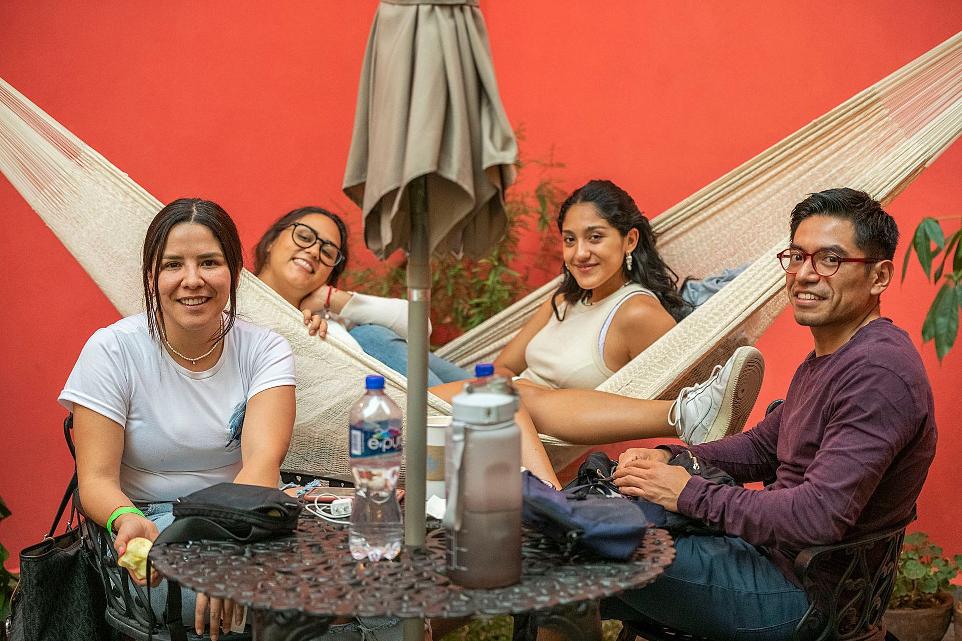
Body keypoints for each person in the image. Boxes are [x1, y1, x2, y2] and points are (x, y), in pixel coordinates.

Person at [597, 188, 937, 640]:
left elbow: (818, 516)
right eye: (797, 256)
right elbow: (762, 446)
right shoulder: (834, 357)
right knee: (571, 538)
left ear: (879, 276)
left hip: (800, 594)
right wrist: (672, 457)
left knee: (572, 548)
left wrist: (688, 493)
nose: (805, 274)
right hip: (766, 561)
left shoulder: (877, 374)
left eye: (830, 259)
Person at [60, 198, 297, 641]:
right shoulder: (112, 350)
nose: (192, 280)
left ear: (235, 272)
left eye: (209, 262)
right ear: (152, 276)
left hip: (247, 519)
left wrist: (226, 552)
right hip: (151, 523)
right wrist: (125, 518)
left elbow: (262, 464)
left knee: (361, 586)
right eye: (173, 265)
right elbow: (95, 481)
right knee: (210, 598)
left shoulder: (265, 349)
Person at [430, 180, 766, 488]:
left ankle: (554, 498)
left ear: (629, 240)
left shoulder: (637, 312)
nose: (579, 253)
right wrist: (523, 388)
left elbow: (689, 379)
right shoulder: (563, 299)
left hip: (508, 423)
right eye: (570, 240)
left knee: (504, 394)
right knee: (401, 351)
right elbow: (502, 368)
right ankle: (555, 500)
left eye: (595, 237)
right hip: (489, 411)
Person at [253, 205, 469, 386]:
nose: (314, 251)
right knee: (370, 336)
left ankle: (484, 393)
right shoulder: (238, 305)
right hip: (391, 408)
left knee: (371, 335)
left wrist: (330, 298)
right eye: (304, 237)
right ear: (272, 241)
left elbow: (420, 325)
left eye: (327, 252)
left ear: (330, 274)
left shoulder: (328, 318)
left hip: (417, 403)